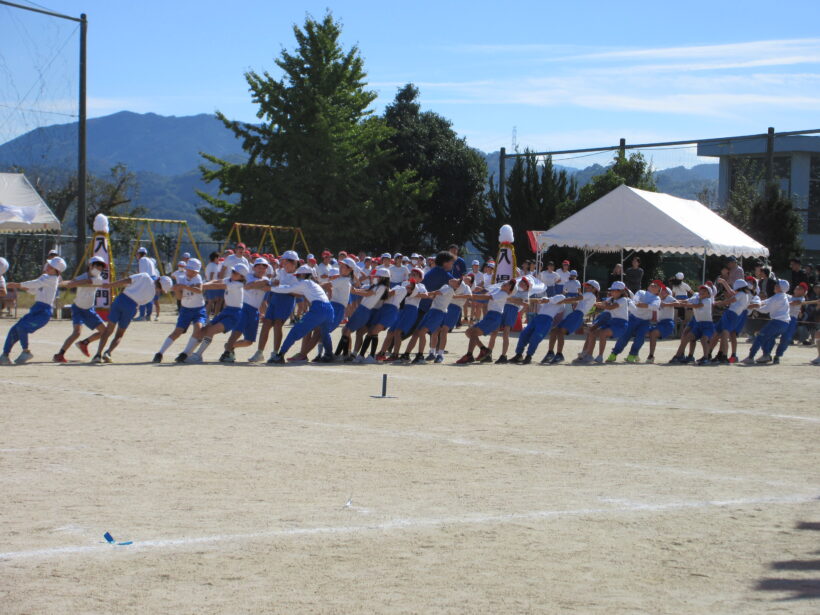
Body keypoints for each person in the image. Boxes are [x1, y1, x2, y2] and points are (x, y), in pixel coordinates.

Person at [91, 272, 173, 363]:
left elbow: (127, 280)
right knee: (119, 334)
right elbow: (141, 303)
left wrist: (110, 285)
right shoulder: (152, 296)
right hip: (131, 307)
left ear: (159, 278)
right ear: (161, 288)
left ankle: (98, 354)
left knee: (108, 330)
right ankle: (108, 352)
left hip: (121, 299)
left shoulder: (145, 276)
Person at [176, 263, 248, 363]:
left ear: (242, 276)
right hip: (226, 311)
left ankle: (198, 355)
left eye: (235, 272)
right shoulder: (230, 280)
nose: (233, 273)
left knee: (211, 331)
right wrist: (201, 284)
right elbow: (216, 281)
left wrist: (197, 286)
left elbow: (217, 286)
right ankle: (187, 353)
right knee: (204, 330)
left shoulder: (238, 284)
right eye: (232, 271)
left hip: (235, 314)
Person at [1, 256, 66, 364]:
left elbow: (34, 283)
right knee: (14, 329)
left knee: (22, 327)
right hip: (36, 309)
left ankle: (26, 351)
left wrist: (18, 285)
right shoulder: (45, 277)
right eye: (49, 265)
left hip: (44, 312)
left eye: (51, 266)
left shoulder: (52, 279)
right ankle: (5, 355)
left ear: (57, 271)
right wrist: (22, 287)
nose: (48, 266)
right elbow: (33, 290)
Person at [265, 265, 335, 364]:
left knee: (295, 331)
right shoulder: (314, 284)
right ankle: (329, 354)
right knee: (324, 334)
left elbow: (286, 289)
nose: (296, 277)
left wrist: (270, 288)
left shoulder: (304, 282)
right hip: (329, 310)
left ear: (303, 275)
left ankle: (280, 355)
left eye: (297, 275)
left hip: (318, 308)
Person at [53, 256, 108, 363]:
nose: (99, 269)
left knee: (104, 331)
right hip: (78, 308)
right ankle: (59, 354)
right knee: (77, 333)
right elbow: (71, 282)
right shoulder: (82, 276)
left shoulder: (99, 278)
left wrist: (68, 284)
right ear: (90, 266)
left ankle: (85, 343)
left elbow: (80, 282)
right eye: (97, 266)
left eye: (101, 267)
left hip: (89, 309)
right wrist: (57, 282)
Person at [152, 259, 206, 363]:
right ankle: (160, 353)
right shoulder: (181, 278)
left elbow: (199, 290)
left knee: (198, 329)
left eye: (194, 271)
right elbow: (180, 298)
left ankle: (185, 353)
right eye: (190, 270)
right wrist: (177, 290)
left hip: (199, 309)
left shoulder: (197, 277)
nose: (192, 272)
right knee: (177, 332)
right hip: (185, 309)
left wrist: (184, 287)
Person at [250, 250, 299, 363]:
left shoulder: (298, 275)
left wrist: (285, 289)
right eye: (283, 262)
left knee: (278, 324)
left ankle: (275, 353)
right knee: (266, 323)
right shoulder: (281, 271)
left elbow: (298, 292)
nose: (283, 264)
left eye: (286, 262)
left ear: (294, 263)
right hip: (275, 299)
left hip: (286, 301)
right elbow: (275, 282)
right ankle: (259, 353)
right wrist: (274, 284)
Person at [220, 258, 270, 362]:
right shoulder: (248, 276)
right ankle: (226, 353)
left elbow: (264, 296)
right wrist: (263, 283)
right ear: (254, 268)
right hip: (244, 307)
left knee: (249, 341)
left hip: (255, 311)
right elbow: (248, 286)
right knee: (237, 331)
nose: (261, 270)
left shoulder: (267, 280)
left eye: (264, 268)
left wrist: (263, 313)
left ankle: (230, 346)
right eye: (259, 267)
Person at [455, 279, 517, 364]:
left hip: (494, 317)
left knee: (471, 332)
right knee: (469, 332)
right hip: (491, 315)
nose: (506, 283)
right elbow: (487, 294)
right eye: (507, 282)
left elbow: (487, 297)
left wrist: (471, 296)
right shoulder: (499, 290)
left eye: (509, 284)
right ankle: (483, 350)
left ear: (510, 289)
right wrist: (480, 290)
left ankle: (471, 355)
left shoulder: (504, 294)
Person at [606, 280, 661, 363]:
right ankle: (614, 354)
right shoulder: (641, 292)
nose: (653, 285)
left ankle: (632, 355)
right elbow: (635, 302)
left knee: (639, 339)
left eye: (656, 286)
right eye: (652, 284)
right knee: (624, 337)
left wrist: (642, 304)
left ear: (658, 290)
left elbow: (655, 307)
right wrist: (647, 305)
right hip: (633, 318)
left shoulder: (657, 298)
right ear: (648, 287)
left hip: (645, 321)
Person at [545, 280, 598, 364]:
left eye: (589, 286)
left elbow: (576, 298)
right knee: (554, 331)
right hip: (575, 314)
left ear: (594, 289)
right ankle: (550, 353)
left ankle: (558, 355)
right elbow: (576, 300)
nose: (586, 287)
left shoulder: (590, 294)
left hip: (577, 315)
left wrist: (561, 301)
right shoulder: (590, 296)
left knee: (559, 332)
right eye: (586, 286)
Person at [577, 281, 629, 364]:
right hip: (612, 322)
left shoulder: (623, 300)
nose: (613, 292)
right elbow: (601, 303)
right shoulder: (611, 298)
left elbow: (611, 307)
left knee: (602, 333)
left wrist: (595, 304)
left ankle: (600, 356)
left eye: (616, 290)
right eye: (612, 290)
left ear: (622, 291)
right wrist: (591, 303)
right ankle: (589, 355)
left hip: (621, 324)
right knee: (591, 332)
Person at [742, 279, 792, 365]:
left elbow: (765, 310)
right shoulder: (782, 295)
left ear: (781, 288)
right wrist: (757, 303)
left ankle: (751, 357)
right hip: (785, 324)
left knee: (760, 337)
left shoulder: (777, 297)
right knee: (769, 338)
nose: (775, 286)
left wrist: (755, 306)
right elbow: (766, 301)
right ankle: (766, 355)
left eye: (777, 285)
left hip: (777, 322)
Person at [668, 285, 715, 365]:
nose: (701, 292)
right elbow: (687, 301)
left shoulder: (707, 300)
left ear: (708, 294)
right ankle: (678, 356)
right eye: (701, 291)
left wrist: (682, 304)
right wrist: (677, 302)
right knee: (687, 338)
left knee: (704, 339)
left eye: (704, 291)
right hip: (698, 324)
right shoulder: (697, 299)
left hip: (707, 325)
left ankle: (706, 358)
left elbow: (696, 306)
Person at [710, 278, 751, 364]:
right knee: (717, 333)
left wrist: (718, 303)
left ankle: (723, 356)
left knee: (724, 335)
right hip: (730, 314)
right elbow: (731, 292)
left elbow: (730, 300)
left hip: (731, 314)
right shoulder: (743, 294)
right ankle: (712, 354)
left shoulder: (741, 294)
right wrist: (724, 282)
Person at [645, 284, 677, 364]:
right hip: (659, 323)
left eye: (665, 291)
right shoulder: (657, 299)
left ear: (668, 293)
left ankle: (651, 355)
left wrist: (666, 304)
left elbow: (677, 303)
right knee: (643, 331)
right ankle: (635, 353)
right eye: (661, 290)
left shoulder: (669, 298)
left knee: (653, 334)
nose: (663, 292)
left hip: (667, 323)